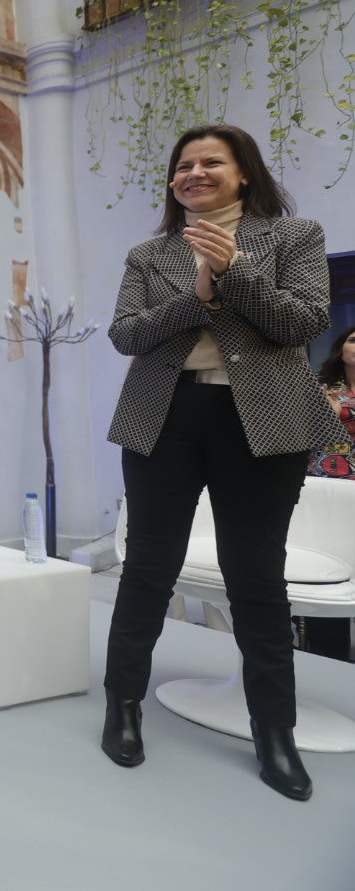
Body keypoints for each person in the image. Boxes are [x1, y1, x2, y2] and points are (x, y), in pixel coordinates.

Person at [101, 123, 346, 801]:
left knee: (256, 578)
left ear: (244, 173)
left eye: (212, 161)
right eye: (184, 164)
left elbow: (302, 323)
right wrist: (198, 297)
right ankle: (123, 704)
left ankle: (274, 731)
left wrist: (234, 272)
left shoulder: (293, 236)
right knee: (147, 568)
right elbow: (126, 335)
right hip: (165, 415)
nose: (195, 173)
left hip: (262, 420)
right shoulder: (150, 253)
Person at [308, 324, 355, 478]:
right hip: (328, 475)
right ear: (340, 350)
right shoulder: (319, 385)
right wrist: (328, 417)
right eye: (353, 340)